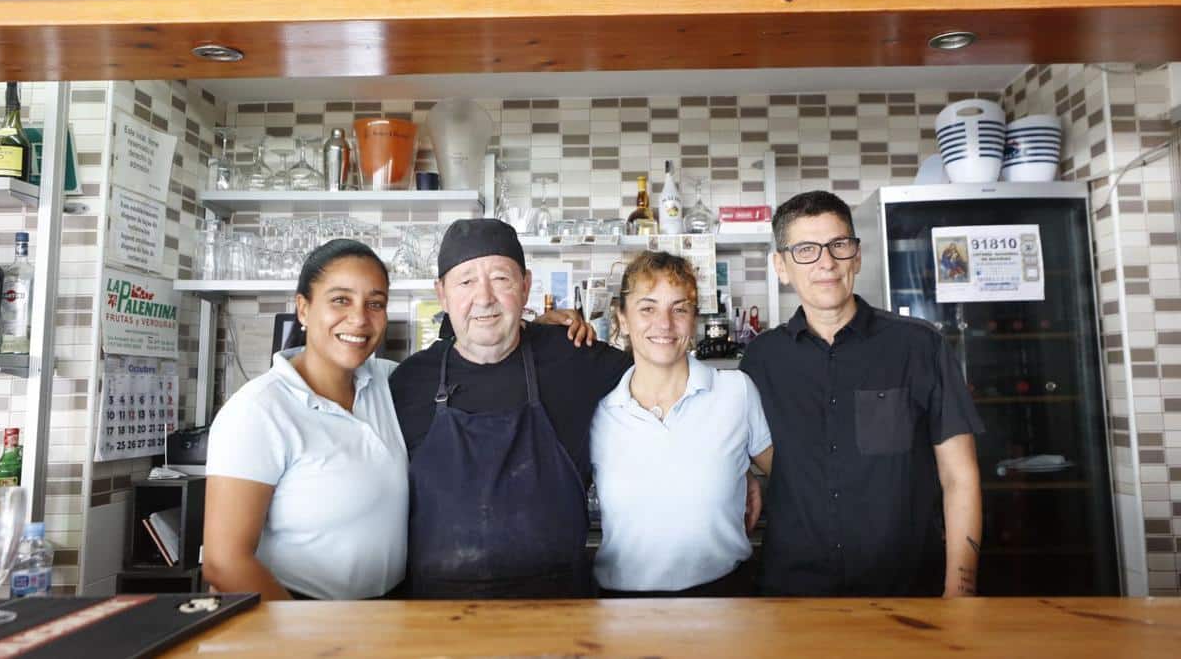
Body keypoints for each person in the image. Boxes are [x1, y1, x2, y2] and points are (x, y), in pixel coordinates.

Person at [740, 190, 984, 597]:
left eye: (839, 245)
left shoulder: (920, 346)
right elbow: (741, 445)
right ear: (780, 266)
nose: (826, 263)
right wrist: (743, 472)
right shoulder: (762, 359)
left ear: (856, 255)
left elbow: (959, 476)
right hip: (793, 592)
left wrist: (961, 591)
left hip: (906, 588)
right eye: (805, 249)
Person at [388, 218, 634, 599]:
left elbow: (660, 385)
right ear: (442, 293)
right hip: (436, 622)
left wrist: (737, 468)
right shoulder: (405, 383)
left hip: (558, 614)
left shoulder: (574, 358)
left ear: (525, 286)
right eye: (466, 282)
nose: (484, 298)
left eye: (501, 279)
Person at [203, 239, 407, 600]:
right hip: (300, 616)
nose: (359, 318)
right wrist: (303, 639)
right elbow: (224, 562)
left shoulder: (389, 384)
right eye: (340, 300)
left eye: (375, 303)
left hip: (387, 616)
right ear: (303, 308)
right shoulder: (259, 410)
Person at [590, 251, 773, 596]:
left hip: (726, 601)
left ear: (694, 320)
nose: (665, 323)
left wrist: (738, 474)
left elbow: (795, 484)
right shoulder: (598, 409)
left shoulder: (736, 391)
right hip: (621, 611)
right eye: (647, 308)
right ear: (623, 319)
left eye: (679, 308)